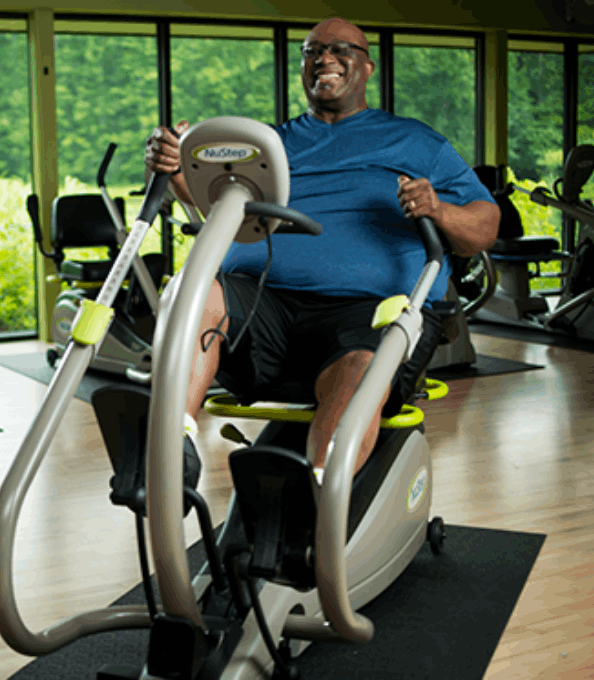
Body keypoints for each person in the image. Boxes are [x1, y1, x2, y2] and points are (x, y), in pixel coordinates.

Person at [145, 17, 500, 483]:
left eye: (340, 49)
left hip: (370, 312)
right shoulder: (269, 144)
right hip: (261, 306)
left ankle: (318, 493)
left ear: (368, 67)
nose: (324, 59)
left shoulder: (417, 142)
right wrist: (174, 165)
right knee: (190, 293)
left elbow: (486, 225)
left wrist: (439, 210)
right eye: (312, 51)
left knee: (363, 361)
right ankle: (174, 445)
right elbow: (206, 194)